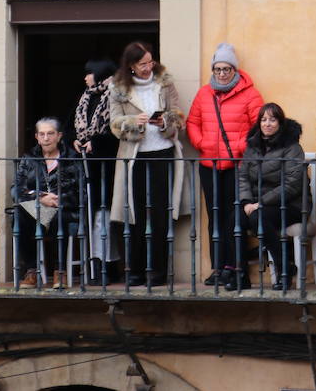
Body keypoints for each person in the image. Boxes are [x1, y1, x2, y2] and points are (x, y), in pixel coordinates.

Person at [186, 42, 263, 290]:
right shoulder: (204, 93)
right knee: (214, 216)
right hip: (209, 164)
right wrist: (202, 143)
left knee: (235, 218)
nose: (221, 73)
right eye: (217, 69)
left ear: (235, 70)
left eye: (226, 69)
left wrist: (240, 146)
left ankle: (236, 268)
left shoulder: (250, 94)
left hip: (236, 166)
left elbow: (258, 127)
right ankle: (218, 267)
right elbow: (192, 122)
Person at [108, 41, 185, 288]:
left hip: (163, 152)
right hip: (134, 156)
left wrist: (164, 122)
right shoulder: (118, 87)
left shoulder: (164, 81)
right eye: (142, 64)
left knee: (162, 214)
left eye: (150, 61)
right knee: (135, 214)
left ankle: (160, 273)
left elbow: (177, 113)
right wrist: (134, 120)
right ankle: (136, 271)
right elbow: (114, 123)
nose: (147, 67)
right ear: (131, 65)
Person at [239, 103, 306, 290]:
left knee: (257, 217)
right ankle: (241, 275)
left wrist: (261, 203)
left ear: (280, 123)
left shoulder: (292, 147)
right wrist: (246, 201)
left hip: (290, 205)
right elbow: (243, 176)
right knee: (233, 219)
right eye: (263, 119)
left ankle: (285, 268)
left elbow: (292, 184)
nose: (267, 124)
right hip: (257, 205)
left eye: (272, 119)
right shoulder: (253, 146)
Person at [13, 117, 80, 289]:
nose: (46, 138)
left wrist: (57, 200)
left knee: (59, 217)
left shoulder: (71, 158)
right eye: (41, 134)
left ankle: (60, 272)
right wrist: (40, 198)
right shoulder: (28, 159)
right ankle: (31, 271)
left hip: (63, 209)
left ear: (59, 136)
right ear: (36, 137)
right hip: (38, 210)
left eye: (50, 133)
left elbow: (81, 193)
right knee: (18, 215)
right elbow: (16, 190)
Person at [71, 57, 119, 284]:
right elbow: (78, 128)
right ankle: (94, 263)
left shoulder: (114, 94)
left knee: (104, 216)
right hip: (88, 165)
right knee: (93, 216)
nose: (86, 77)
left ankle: (107, 265)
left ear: (100, 73)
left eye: (89, 72)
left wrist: (96, 142)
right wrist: (77, 141)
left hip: (107, 166)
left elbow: (116, 132)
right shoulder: (86, 97)